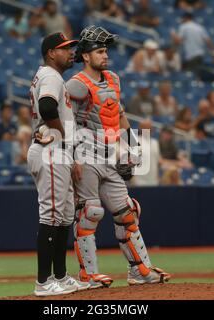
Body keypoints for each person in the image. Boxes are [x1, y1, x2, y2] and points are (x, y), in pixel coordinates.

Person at [67, 25, 171, 288]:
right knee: (90, 212)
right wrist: (73, 158)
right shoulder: (76, 84)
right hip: (86, 153)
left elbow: (119, 115)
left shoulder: (113, 78)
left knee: (128, 212)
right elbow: (65, 120)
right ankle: (88, 275)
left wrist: (132, 146)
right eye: (99, 51)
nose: (105, 55)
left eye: (105, 51)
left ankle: (140, 271)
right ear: (86, 56)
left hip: (109, 155)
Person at [27, 32, 89, 296]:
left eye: (71, 47)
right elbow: (47, 107)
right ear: (51, 53)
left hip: (58, 150)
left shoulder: (52, 76)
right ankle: (43, 282)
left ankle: (61, 277)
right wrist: (62, 137)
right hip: (51, 149)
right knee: (51, 215)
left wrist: (71, 154)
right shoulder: (51, 75)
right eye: (65, 48)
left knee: (63, 216)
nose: (70, 52)